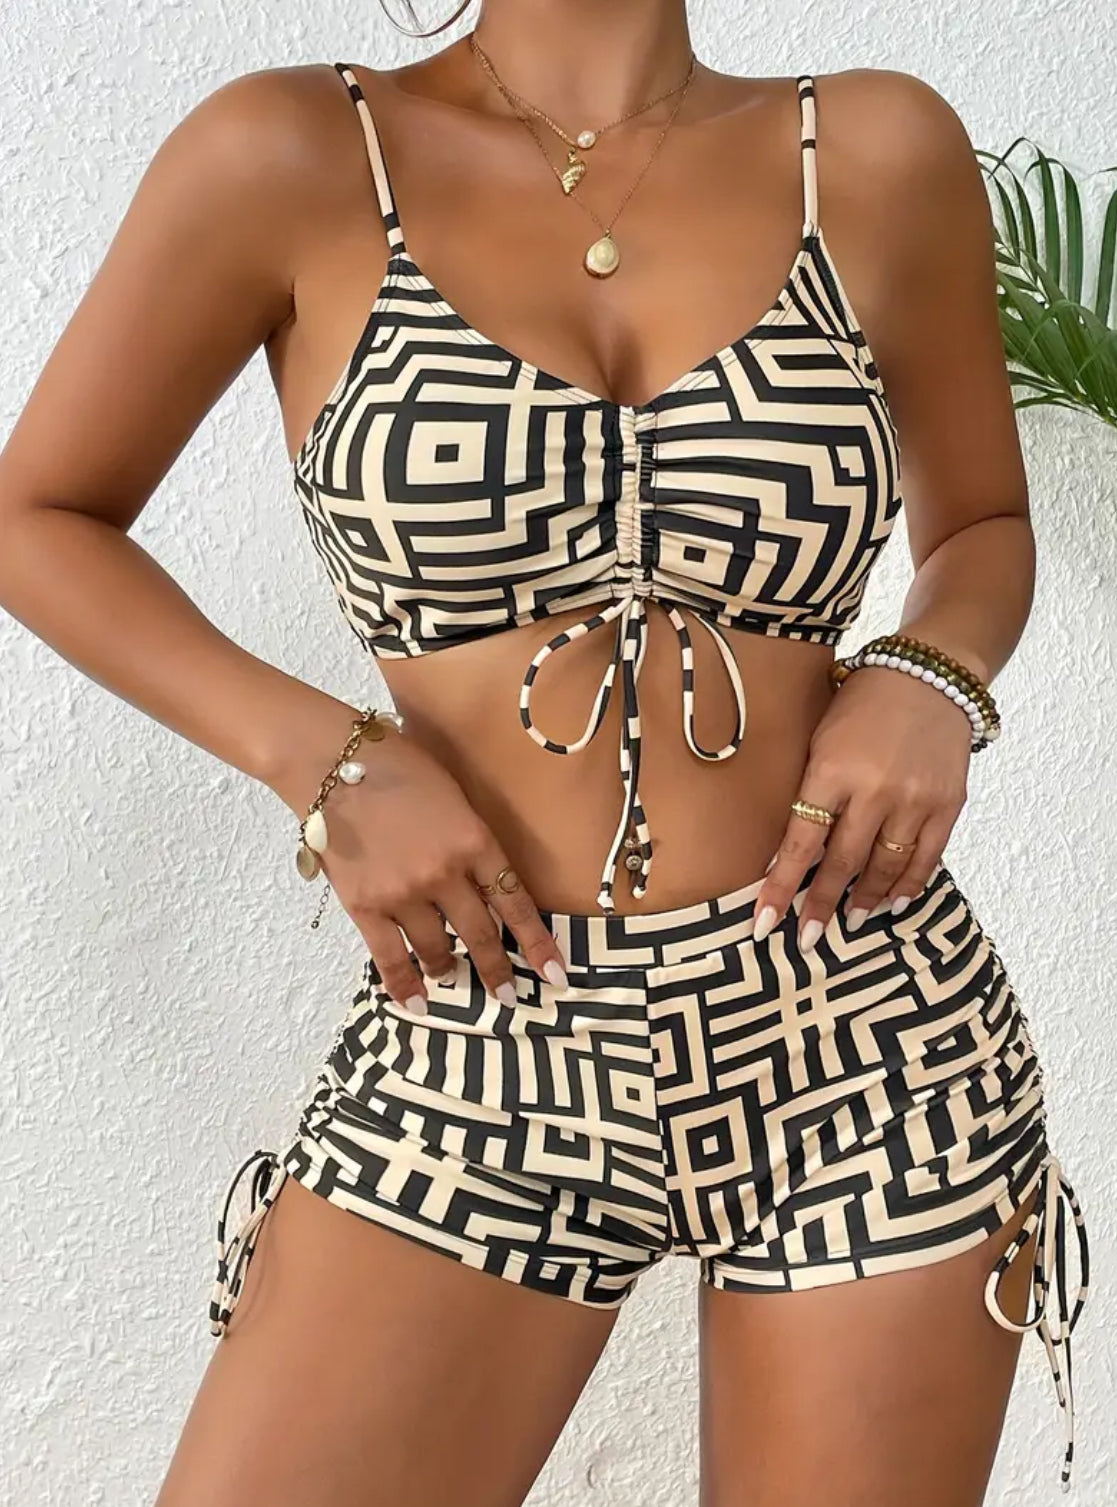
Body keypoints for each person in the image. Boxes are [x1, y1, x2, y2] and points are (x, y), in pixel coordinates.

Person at [0, 2, 1089, 1504]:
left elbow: (983, 524)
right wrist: (323, 756)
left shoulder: (878, 148)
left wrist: (928, 675)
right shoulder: (290, 152)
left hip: (868, 1031)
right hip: (488, 1019)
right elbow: (37, 516)